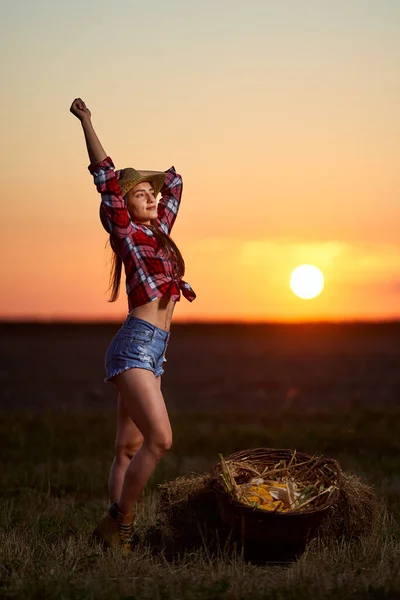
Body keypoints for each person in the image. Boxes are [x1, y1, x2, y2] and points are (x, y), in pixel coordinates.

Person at [69, 98, 196, 552]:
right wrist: (88, 122)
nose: (153, 198)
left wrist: (149, 180)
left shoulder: (160, 230)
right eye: (142, 194)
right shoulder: (124, 229)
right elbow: (105, 176)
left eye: (150, 195)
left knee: (127, 448)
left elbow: (175, 182)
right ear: (124, 204)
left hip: (155, 351)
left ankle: (114, 534)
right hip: (135, 348)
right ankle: (118, 523)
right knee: (160, 440)